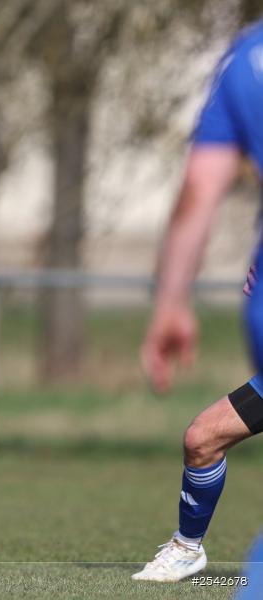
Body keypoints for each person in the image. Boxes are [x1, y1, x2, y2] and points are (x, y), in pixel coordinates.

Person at [132, 21, 263, 582]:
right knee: (202, 438)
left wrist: (170, 303)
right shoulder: (249, 61)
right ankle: (188, 546)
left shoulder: (248, 59)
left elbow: (199, 189)